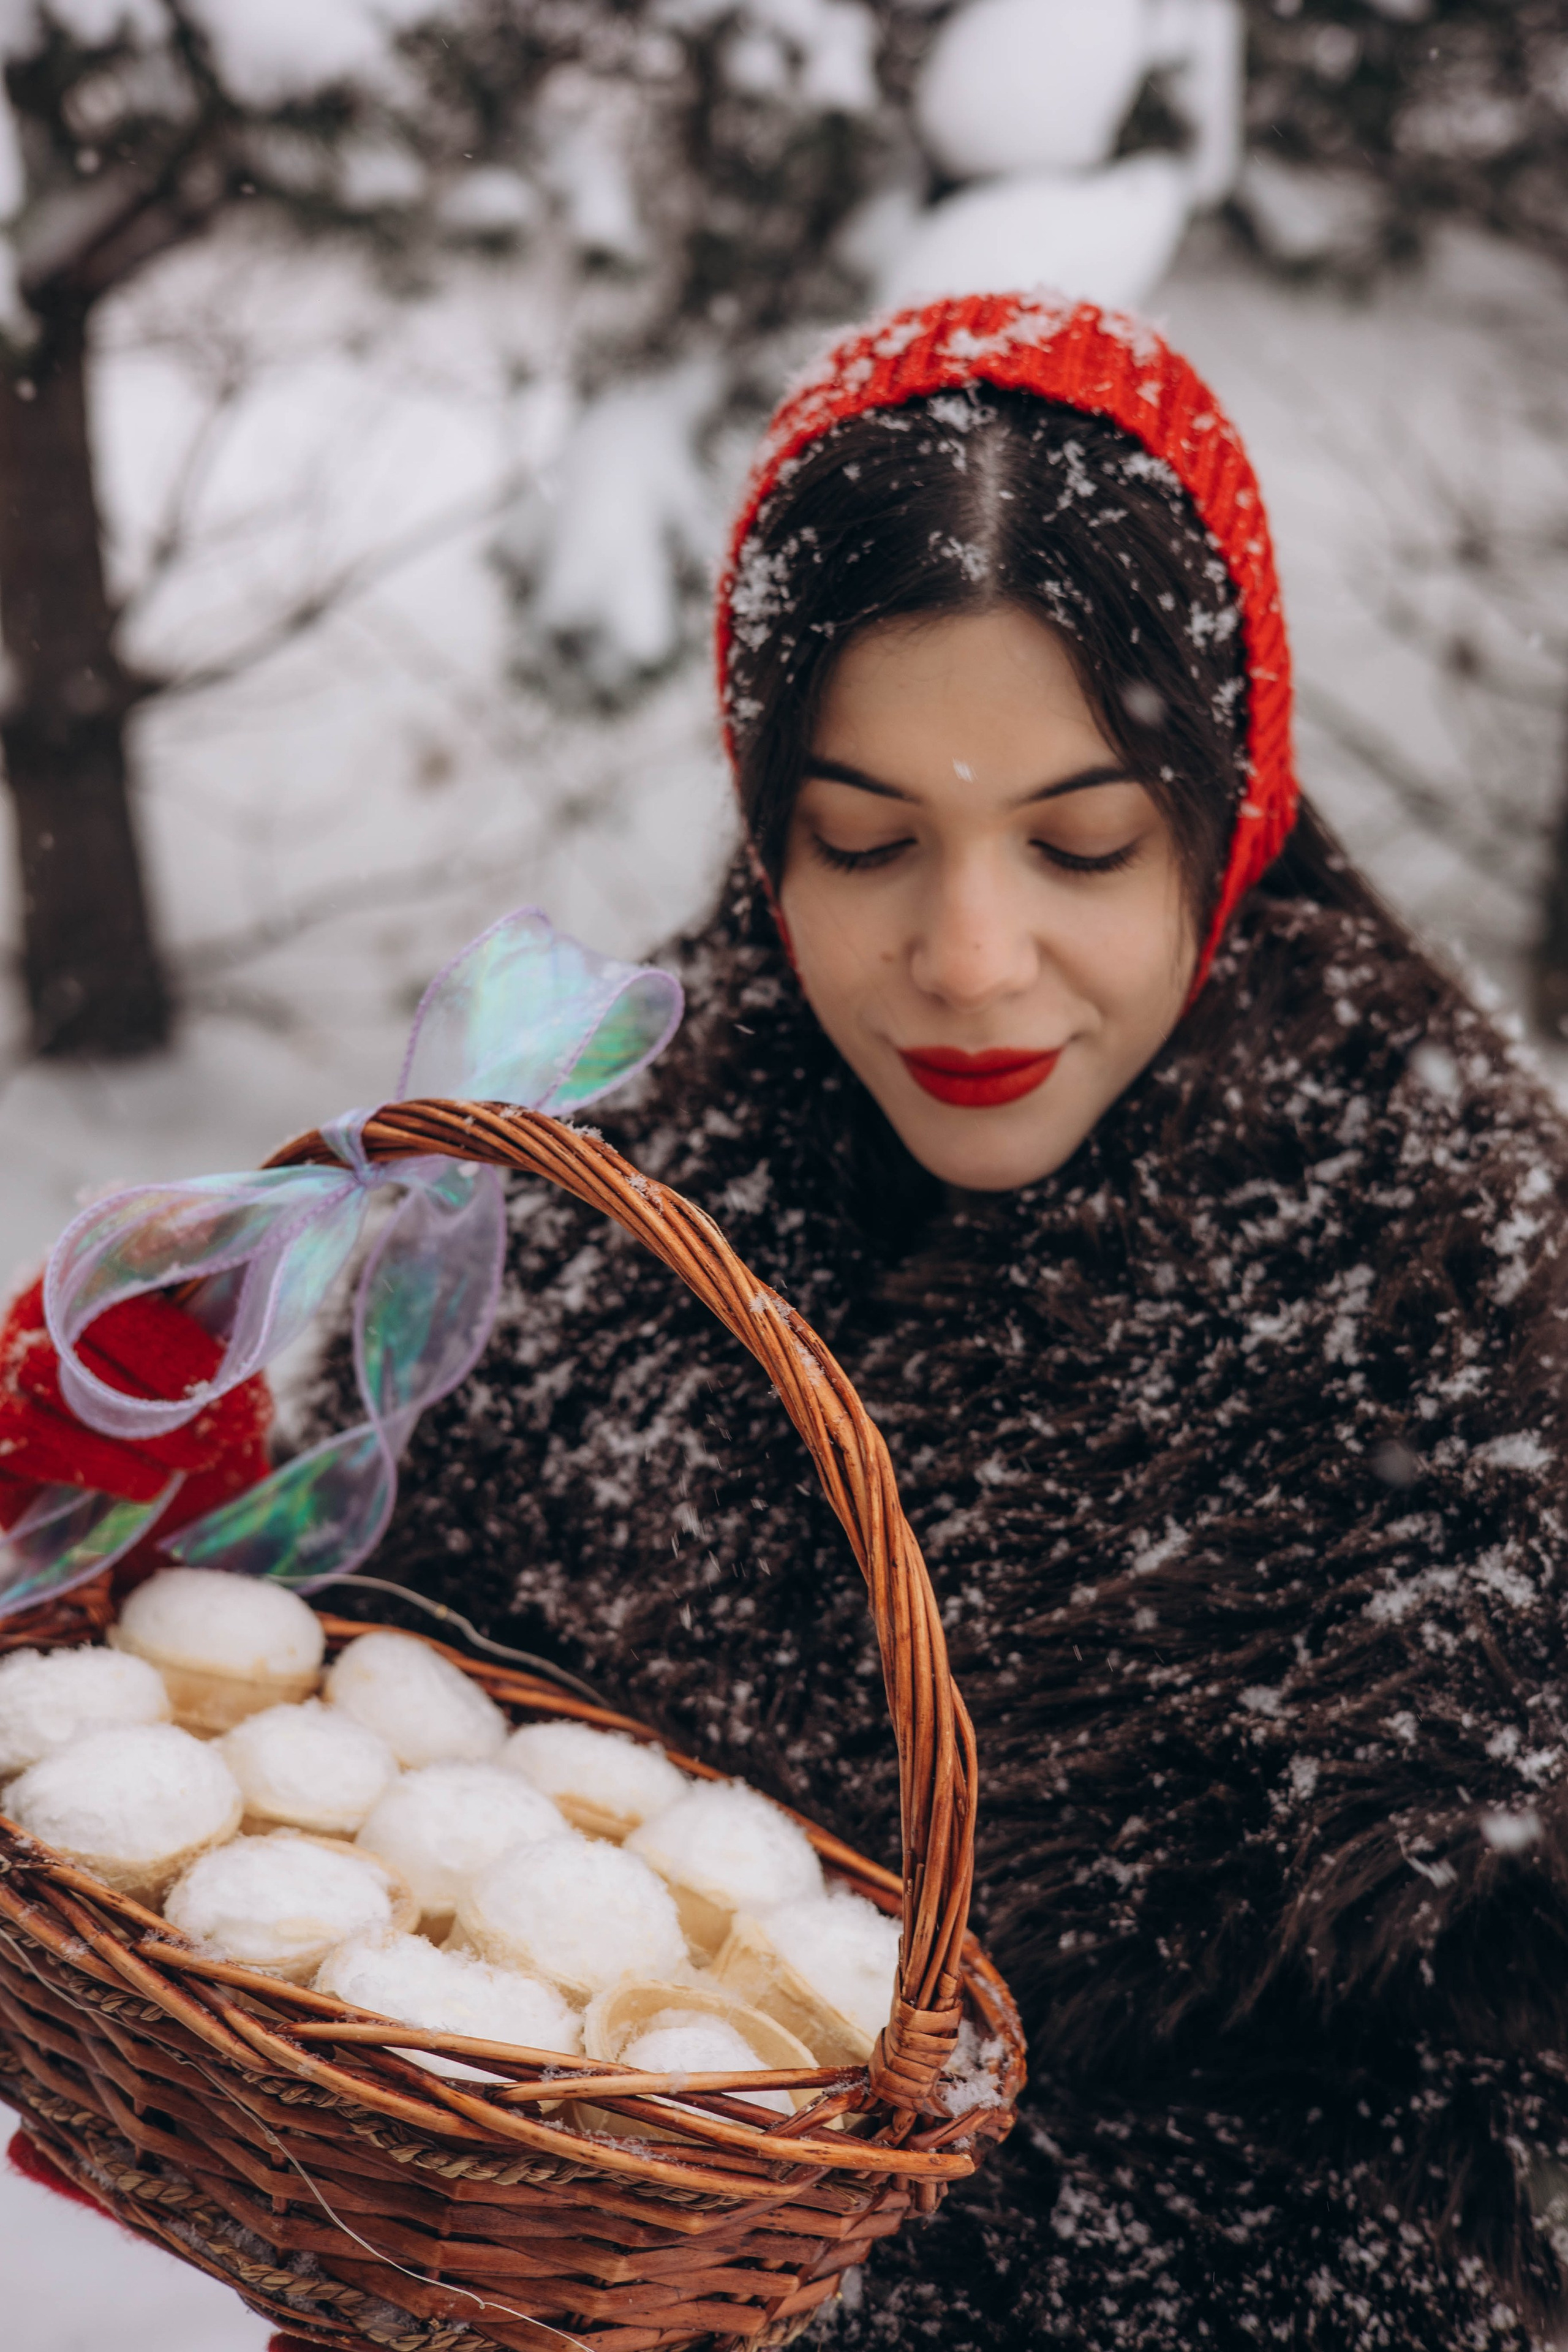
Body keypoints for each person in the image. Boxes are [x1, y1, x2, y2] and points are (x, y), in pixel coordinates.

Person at [7, 292, 1568, 2350]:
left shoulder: (1453, 1312)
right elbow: (381, 1823)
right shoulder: (603, 1218)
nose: (971, 956)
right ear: (766, 831)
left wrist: (835, 2295)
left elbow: (1492, 2184)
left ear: (1234, 802)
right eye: (865, 841)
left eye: (1083, 841)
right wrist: (165, 1528)